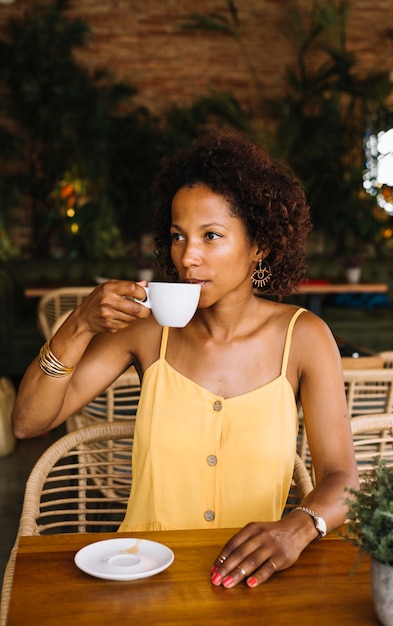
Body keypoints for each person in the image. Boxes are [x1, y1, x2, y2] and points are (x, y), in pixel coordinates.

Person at [12, 131, 359, 589]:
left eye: (210, 236)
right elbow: (28, 422)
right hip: (140, 576)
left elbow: (341, 477)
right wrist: (79, 324)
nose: (187, 257)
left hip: (249, 581)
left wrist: (298, 526)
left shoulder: (304, 339)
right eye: (178, 236)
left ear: (261, 246)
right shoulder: (147, 330)